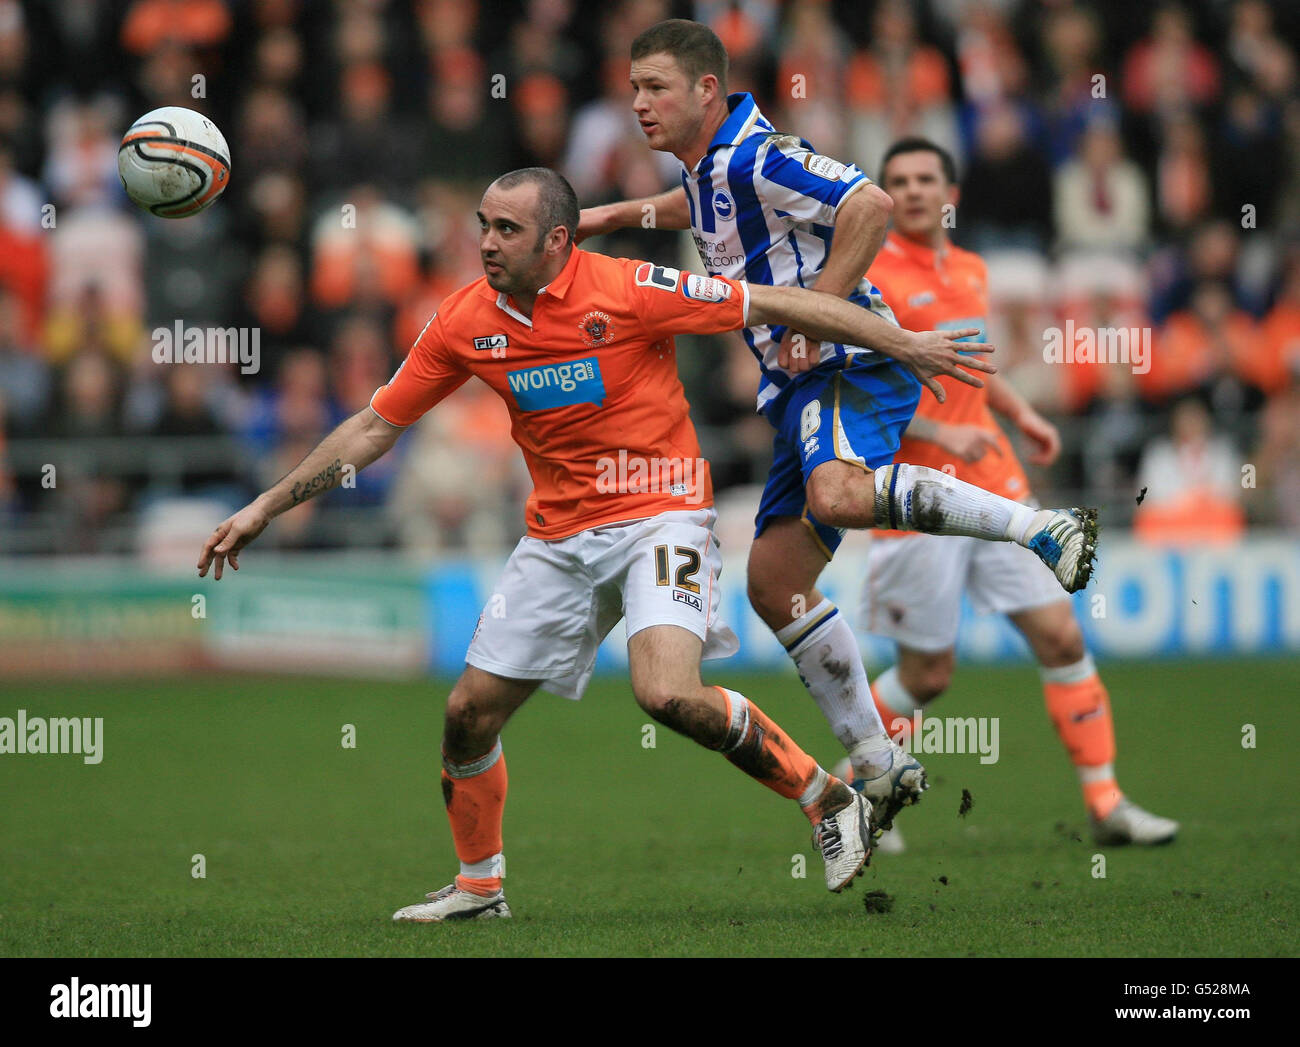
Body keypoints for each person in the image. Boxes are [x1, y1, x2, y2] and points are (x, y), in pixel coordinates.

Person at [197, 167, 994, 922]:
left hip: (662, 516)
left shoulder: (631, 289)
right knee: (468, 714)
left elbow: (779, 303)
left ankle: (828, 798)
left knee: (668, 694)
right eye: (482, 225)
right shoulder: (465, 319)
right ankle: (480, 886)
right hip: (557, 537)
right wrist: (266, 505)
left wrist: (903, 343)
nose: (486, 241)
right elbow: (375, 424)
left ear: (557, 241)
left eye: (506, 228)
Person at [577, 19, 1097, 837]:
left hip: (848, 361)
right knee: (774, 580)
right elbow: (706, 204)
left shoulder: (759, 150)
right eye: (634, 87)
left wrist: (821, 308)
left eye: (656, 88)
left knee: (839, 489)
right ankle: (880, 760)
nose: (638, 103)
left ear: (707, 90)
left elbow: (871, 203)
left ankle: (1040, 528)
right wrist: (616, 213)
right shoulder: (712, 164)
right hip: (795, 383)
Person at [850, 137, 1178, 849]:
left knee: (1060, 633)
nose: (910, 190)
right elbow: (858, 392)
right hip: (916, 497)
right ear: (883, 195)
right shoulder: (870, 278)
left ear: (950, 194)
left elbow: (967, 360)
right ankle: (863, 785)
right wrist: (940, 431)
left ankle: (1106, 802)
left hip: (996, 479)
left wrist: (1019, 412)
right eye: (897, 180)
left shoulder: (969, 268)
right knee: (929, 673)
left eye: (924, 178)